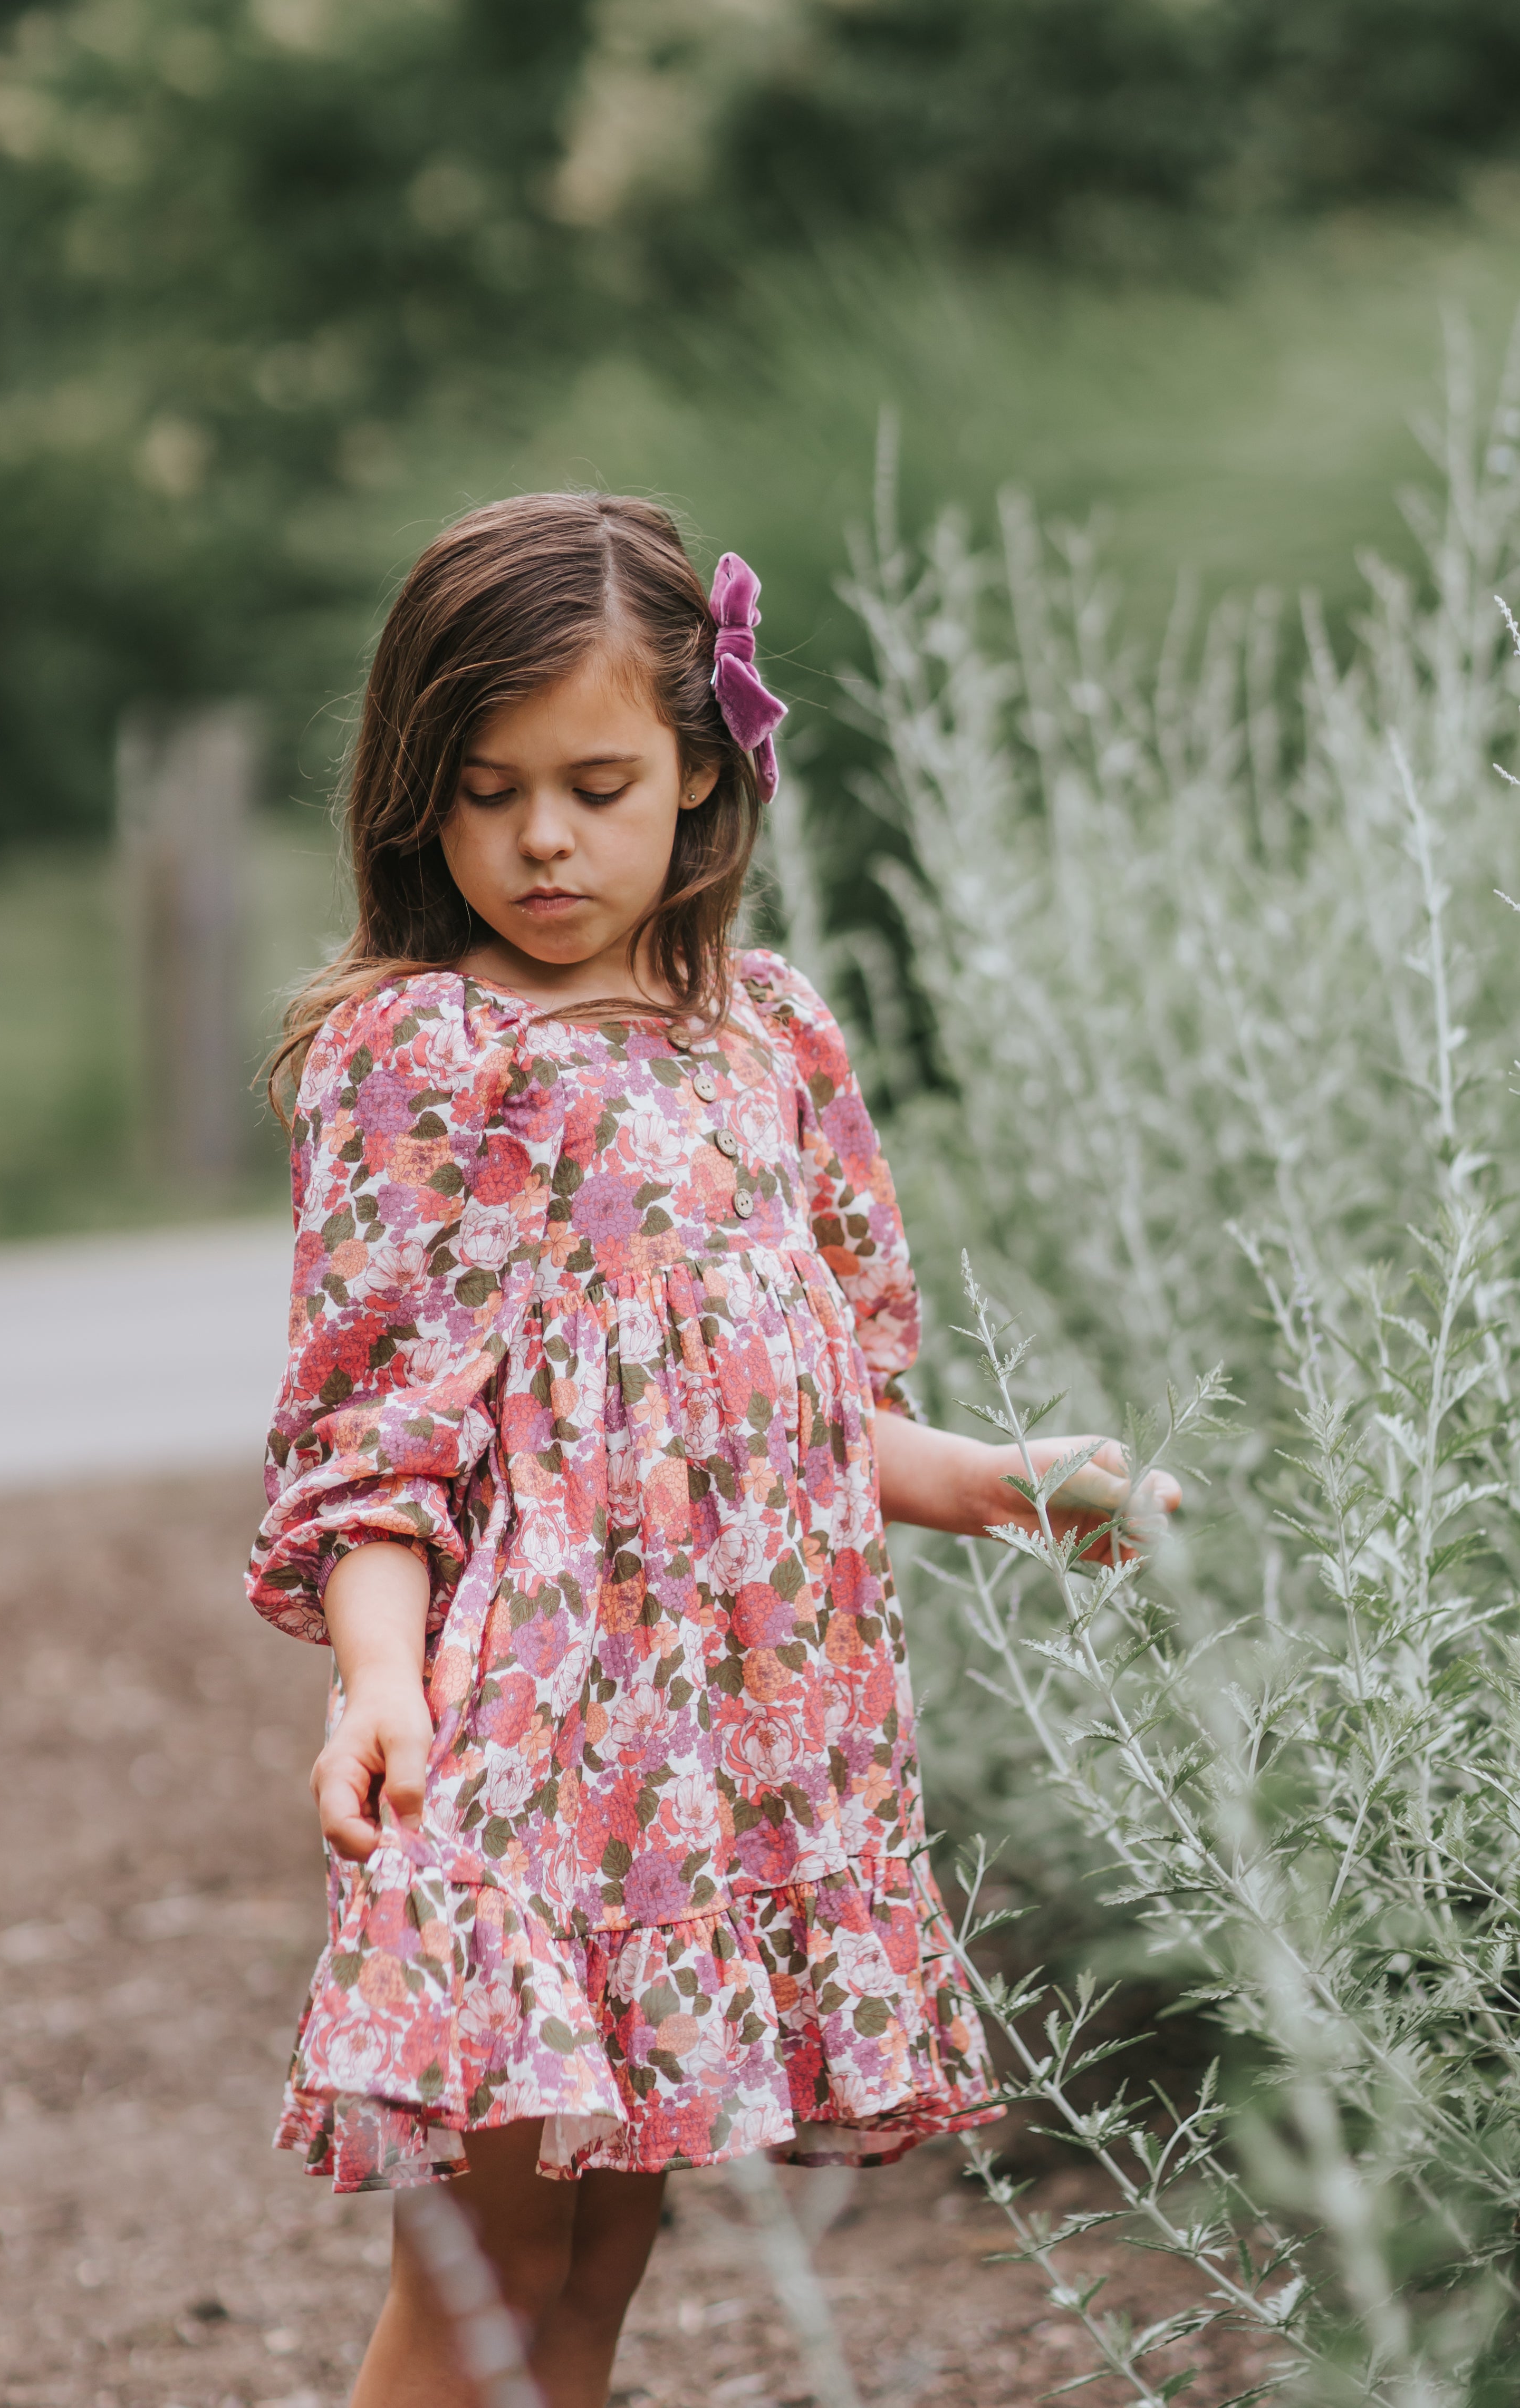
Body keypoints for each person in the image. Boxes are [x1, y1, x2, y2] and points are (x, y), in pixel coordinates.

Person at [249, 494, 1178, 2408]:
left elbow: (809, 1417)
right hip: (519, 1747)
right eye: (487, 788)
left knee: (602, 2256)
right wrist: (371, 1685)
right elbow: (378, 1437)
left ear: (702, 771)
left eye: (597, 782)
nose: (541, 840)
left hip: (709, 1761)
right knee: (490, 2264)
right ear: (416, 794)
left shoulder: (772, 1039)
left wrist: (1015, 1481)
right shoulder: (428, 1054)